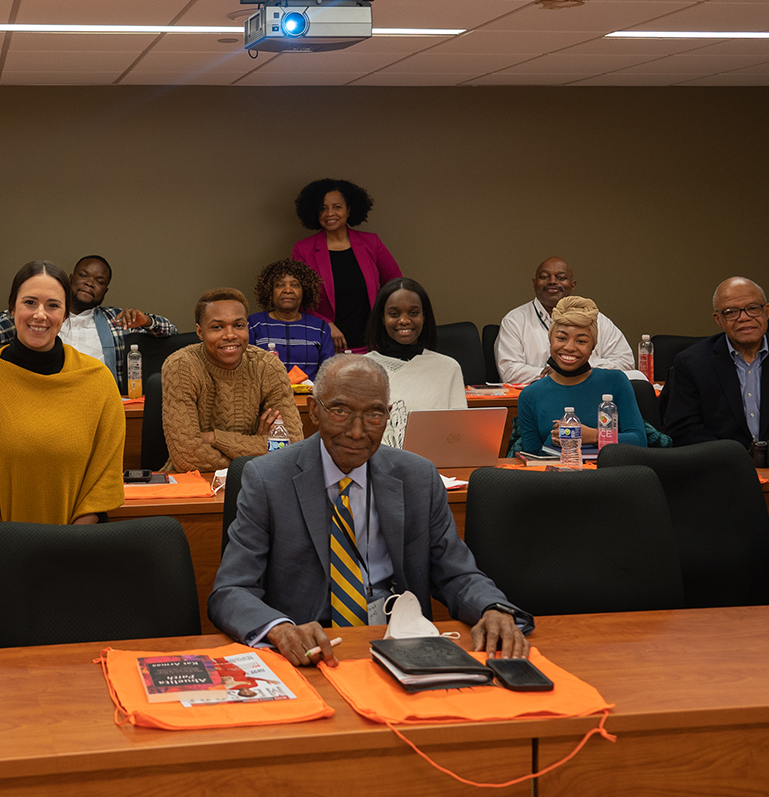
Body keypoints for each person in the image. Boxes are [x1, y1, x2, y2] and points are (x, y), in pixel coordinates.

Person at [209, 354, 532, 666]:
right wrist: (280, 630)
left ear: (388, 414)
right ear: (314, 411)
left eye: (374, 414)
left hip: (402, 643)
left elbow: (456, 572)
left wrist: (492, 609)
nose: (357, 431)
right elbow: (231, 590)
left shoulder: (417, 477)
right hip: (311, 646)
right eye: (340, 411)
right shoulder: (268, 478)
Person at [0, 261, 125, 603]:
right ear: (11, 309)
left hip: (76, 556)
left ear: (64, 315)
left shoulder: (98, 381)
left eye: (53, 305)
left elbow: (103, 478)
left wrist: (66, 548)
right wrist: (5, 545)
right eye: (30, 303)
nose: (40, 315)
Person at [0, 254, 177, 390]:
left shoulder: (115, 320)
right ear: (71, 278)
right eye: (84, 276)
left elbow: (170, 331)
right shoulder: (43, 315)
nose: (90, 283)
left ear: (105, 291)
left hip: (100, 402)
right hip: (43, 397)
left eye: (99, 281)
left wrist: (147, 321)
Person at [664, 277, 769, 448]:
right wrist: (736, 460)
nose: (744, 318)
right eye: (731, 312)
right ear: (718, 319)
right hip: (721, 467)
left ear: (766, 312)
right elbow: (683, 430)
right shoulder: (691, 363)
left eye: (753, 308)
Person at [160, 287, 305, 473]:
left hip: (260, 480)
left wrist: (214, 438)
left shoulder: (268, 366)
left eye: (238, 325)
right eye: (217, 327)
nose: (230, 335)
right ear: (199, 331)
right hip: (193, 482)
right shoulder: (181, 366)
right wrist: (259, 445)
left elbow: (292, 446)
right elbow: (186, 457)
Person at [510, 296, 647, 456]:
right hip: (557, 478)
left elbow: (639, 440)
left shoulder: (615, 381)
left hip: (608, 476)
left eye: (581, 341)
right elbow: (532, 457)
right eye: (561, 338)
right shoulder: (530, 395)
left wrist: (594, 436)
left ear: (593, 347)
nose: (569, 347)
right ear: (550, 341)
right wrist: (556, 438)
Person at [289, 179, 402, 352]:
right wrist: (325, 324)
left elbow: (396, 285)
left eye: (337, 207)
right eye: (323, 208)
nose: (329, 213)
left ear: (349, 210)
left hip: (374, 346)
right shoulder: (303, 250)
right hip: (326, 347)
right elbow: (296, 300)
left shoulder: (371, 243)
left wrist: (384, 317)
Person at [494, 256, 637, 385]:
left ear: (572, 285)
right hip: (536, 396)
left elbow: (626, 362)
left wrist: (579, 370)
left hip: (589, 394)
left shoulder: (596, 319)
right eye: (544, 277)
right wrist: (552, 375)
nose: (552, 282)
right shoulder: (515, 320)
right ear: (534, 283)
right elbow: (509, 372)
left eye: (561, 277)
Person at [364, 278, 468, 418]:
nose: (404, 320)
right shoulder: (362, 367)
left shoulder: (448, 367)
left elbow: (458, 426)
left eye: (413, 313)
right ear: (382, 318)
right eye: (394, 314)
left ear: (424, 316)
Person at [247, 258, 335, 379]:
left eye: (295, 285)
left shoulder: (320, 327)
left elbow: (328, 373)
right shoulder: (254, 324)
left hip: (309, 395)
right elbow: (245, 368)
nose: (288, 290)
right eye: (280, 285)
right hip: (265, 396)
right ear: (269, 292)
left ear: (305, 291)